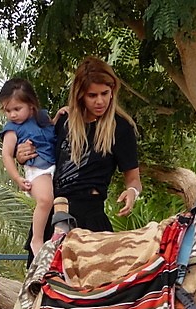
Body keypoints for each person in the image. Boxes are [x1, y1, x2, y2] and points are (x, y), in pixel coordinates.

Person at [17, 56, 142, 261]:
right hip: (53, 216)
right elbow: (42, 157)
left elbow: (134, 179)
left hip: (91, 218)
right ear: (80, 94)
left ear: (112, 91)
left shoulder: (121, 128)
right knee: (43, 280)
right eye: (92, 95)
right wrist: (22, 155)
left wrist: (132, 192)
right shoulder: (63, 122)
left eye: (105, 93)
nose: (100, 101)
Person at [0, 77, 61, 256]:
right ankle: (37, 239)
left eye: (17, 109)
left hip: (53, 167)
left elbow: (52, 130)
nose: (12, 115)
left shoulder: (42, 117)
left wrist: (59, 116)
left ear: (31, 105)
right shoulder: (12, 129)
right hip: (37, 169)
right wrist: (17, 178)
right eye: (8, 110)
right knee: (45, 200)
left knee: (55, 202)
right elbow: (6, 155)